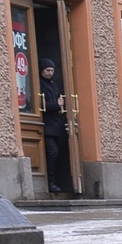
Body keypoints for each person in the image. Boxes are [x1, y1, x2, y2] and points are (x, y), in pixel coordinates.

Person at [37, 60, 73, 195]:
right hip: (45, 126)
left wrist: (59, 106)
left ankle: (55, 182)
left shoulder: (54, 84)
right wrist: (57, 105)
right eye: (47, 70)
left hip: (56, 125)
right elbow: (42, 106)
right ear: (41, 70)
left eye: (52, 70)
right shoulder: (38, 84)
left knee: (58, 153)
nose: (50, 73)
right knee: (53, 152)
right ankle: (50, 183)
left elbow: (58, 102)